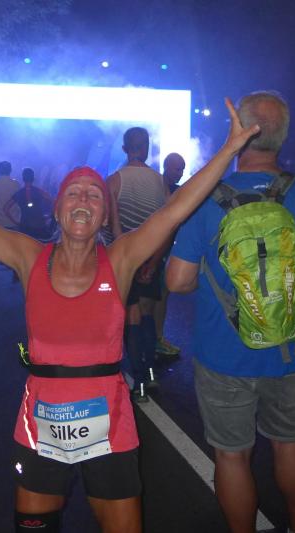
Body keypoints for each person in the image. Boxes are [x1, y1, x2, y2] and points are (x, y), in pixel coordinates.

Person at [0, 98, 260, 533]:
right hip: (41, 425)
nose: (83, 199)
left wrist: (229, 149)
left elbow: (176, 209)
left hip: (111, 426)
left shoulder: (121, 259)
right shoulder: (29, 256)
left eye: (94, 194)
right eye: (73, 192)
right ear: (58, 209)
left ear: (104, 215)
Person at [167, 91, 295, 533]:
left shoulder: (206, 199)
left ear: (238, 133)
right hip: (291, 349)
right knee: (290, 440)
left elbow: (177, 281)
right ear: (282, 137)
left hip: (223, 355)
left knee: (232, 455)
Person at [107, 127, 170, 401]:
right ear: (147, 148)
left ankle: (140, 381)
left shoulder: (114, 181)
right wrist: (154, 262)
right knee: (146, 316)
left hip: (127, 259)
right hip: (152, 258)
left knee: (131, 316)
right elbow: (168, 227)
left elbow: (114, 229)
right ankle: (152, 373)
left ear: (124, 148)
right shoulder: (160, 181)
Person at [153, 152, 187, 359]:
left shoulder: (178, 190)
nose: (180, 173)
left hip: (166, 250)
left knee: (162, 294)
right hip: (152, 247)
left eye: (182, 169)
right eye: (177, 168)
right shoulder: (155, 186)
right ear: (166, 167)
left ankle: (157, 337)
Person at [4, 167, 53, 241]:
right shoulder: (39, 191)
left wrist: (15, 222)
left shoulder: (19, 193)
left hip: (25, 227)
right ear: (33, 178)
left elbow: (5, 208)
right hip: (39, 226)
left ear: (23, 179)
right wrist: (49, 216)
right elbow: (53, 202)